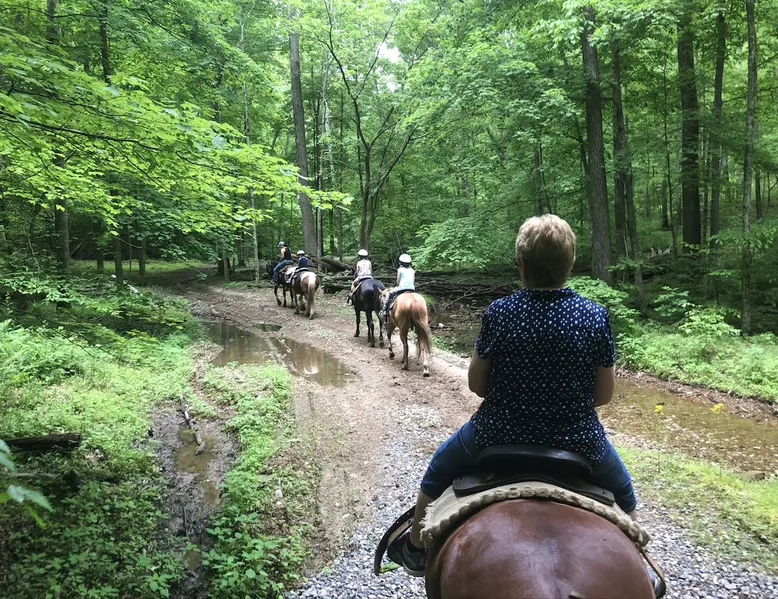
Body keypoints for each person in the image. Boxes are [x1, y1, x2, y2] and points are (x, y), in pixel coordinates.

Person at [387, 215, 657, 592]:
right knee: (625, 492)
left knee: (437, 469)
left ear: (522, 265)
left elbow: (477, 385)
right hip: (580, 440)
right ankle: (643, 565)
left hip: (496, 433)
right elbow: (603, 396)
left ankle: (416, 548)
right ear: (571, 264)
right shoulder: (595, 317)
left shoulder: (500, 312)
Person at [379, 253, 414, 321]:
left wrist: (397, 285)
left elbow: (398, 282)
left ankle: (385, 311)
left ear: (401, 263)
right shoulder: (412, 270)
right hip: (412, 288)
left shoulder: (400, 270)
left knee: (389, 294)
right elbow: (412, 281)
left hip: (402, 288)